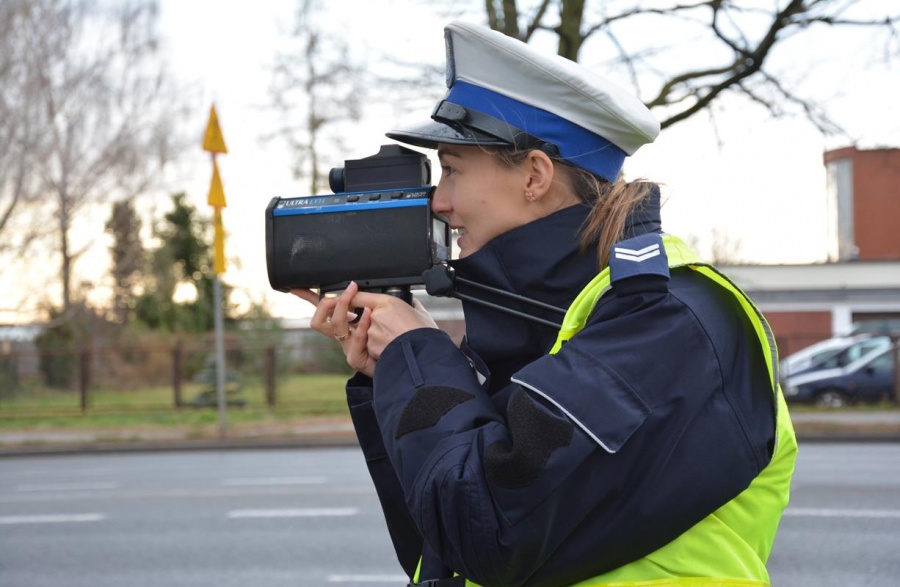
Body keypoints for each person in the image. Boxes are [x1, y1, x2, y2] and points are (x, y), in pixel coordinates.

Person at [292, 20, 798, 587]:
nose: (438, 201)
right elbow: (444, 553)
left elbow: (484, 531)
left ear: (534, 175)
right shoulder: (560, 322)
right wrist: (399, 370)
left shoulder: (667, 324)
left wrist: (419, 358)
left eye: (454, 171)